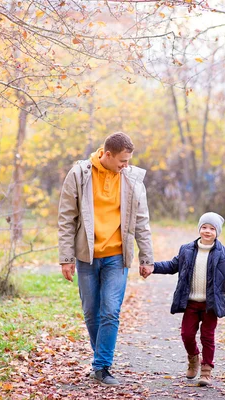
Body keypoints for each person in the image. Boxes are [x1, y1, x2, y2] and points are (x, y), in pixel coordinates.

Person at [58, 132, 154, 386]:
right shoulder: (80, 174)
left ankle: (101, 367)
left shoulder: (132, 179)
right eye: (122, 160)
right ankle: (101, 358)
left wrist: (147, 258)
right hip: (86, 256)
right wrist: (65, 257)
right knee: (92, 313)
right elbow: (66, 218)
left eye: (128, 160)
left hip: (116, 256)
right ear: (107, 155)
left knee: (110, 311)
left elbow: (141, 221)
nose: (126, 165)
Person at [142, 212, 225, 387]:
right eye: (204, 227)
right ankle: (193, 358)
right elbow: (172, 266)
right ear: (199, 229)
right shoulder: (186, 250)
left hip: (210, 305)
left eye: (212, 228)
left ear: (218, 232)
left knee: (207, 337)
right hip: (191, 303)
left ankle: (206, 371)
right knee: (186, 334)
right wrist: (153, 267)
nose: (207, 231)